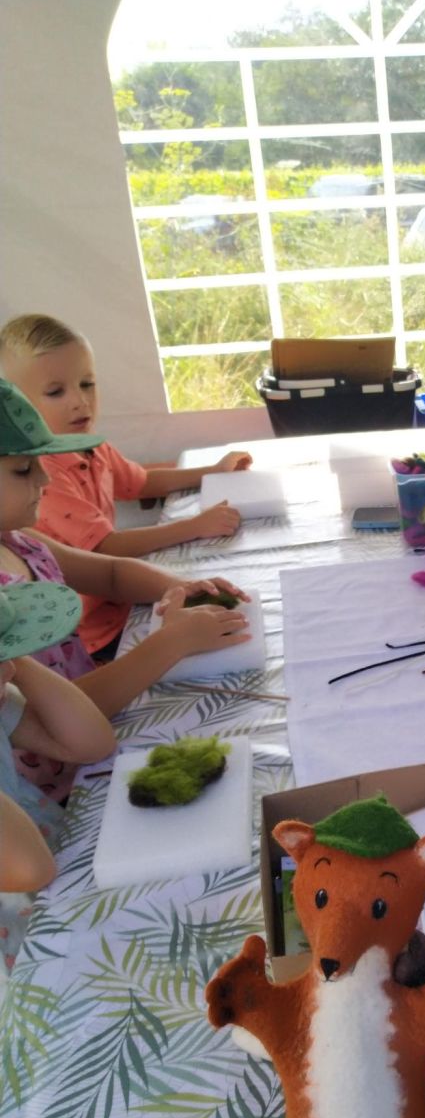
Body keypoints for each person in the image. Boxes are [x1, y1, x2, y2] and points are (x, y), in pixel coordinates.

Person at [0, 379, 251, 801]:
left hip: (95, 723)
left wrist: (180, 587)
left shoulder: (18, 539)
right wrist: (170, 643)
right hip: (55, 789)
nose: (44, 479)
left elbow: (111, 574)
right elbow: (56, 720)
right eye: (23, 470)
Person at [0, 313, 253, 656]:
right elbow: (106, 548)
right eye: (56, 392)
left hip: (123, 602)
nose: (80, 401)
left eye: (87, 384)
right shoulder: (49, 475)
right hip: (94, 635)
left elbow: (140, 483)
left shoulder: (92, 446)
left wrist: (211, 470)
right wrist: (193, 526)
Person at [1, 582, 116, 973]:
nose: (8, 670)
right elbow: (31, 868)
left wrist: (17, 655)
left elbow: (91, 742)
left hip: (68, 884)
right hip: (29, 951)